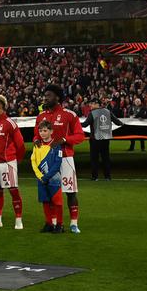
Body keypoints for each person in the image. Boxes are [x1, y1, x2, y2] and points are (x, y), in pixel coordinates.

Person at [34, 84, 85, 233]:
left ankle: (74, 223)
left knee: (70, 191)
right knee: (50, 192)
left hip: (65, 158)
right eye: (45, 95)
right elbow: (36, 134)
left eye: (48, 95)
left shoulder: (69, 115)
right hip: (47, 160)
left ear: (57, 97)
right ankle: (52, 223)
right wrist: (36, 139)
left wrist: (64, 139)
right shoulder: (41, 116)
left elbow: (80, 136)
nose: (45, 98)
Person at [0, 94, 25, 230]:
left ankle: (18, 220)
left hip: (7, 163)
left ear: (0, 106)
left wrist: (16, 160)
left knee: (13, 190)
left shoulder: (10, 123)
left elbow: (20, 145)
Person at [31, 120, 65, 233]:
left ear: (51, 131)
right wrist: (39, 176)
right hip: (41, 178)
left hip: (53, 178)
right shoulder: (37, 145)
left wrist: (46, 177)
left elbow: (57, 163)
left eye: (45, 131)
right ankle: (49, 223)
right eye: (40, 131)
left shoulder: (56, 146)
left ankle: (60, 224)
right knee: (45, 201)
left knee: (57, 201)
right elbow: (33, 161)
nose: (42, 133)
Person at [84, 98, 124, 181]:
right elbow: (117, 122)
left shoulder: (92, 113)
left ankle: (95, 177)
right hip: (105, 138)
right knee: (105, 158)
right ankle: (107, 177)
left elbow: (85, 124)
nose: (90, 105)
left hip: (95, 139)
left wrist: (75, 122)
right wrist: (123, 124)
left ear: (97, 104)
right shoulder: (107, 111)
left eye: (92, 103)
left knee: (94, 158)